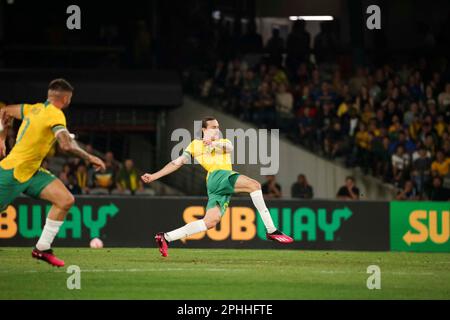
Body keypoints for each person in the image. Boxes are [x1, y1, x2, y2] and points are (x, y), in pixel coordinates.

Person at [141, 116, 293, 257]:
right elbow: (177, 163)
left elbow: (229, 148)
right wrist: (154, 176)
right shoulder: (195, 145)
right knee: (254, 185)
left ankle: (166, 237)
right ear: (204, 129)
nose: (217, 129)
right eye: (213, 127)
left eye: (218, 126)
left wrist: (213, 143)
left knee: (210, 222)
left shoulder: (223, 141)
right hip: (217, 176)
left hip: (217, 184)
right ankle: (271, 230)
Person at [0, 79, 105, 266]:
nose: (69, 102)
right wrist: (90, 158)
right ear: (65, 98)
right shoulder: (55, 115)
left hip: (32, 172)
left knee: (65, 200)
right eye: (69, 98)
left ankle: (42, 249)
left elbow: (4, 111)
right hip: (13, 172)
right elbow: (65, 144)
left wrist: (2, 137)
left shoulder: (32, 108)